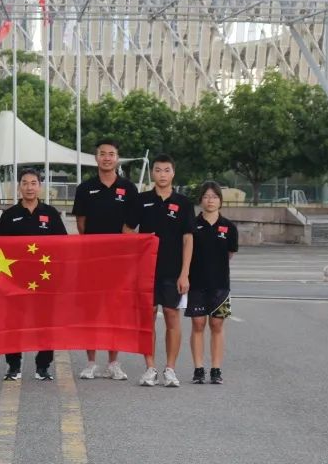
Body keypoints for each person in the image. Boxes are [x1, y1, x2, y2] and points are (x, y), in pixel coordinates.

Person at [71, 138, 141, 381]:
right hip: (91, 259)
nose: (107, 158)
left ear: (117, 158)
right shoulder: (85, 188)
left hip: (119, 261)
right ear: (96, 157)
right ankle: (91, 362)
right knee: (91, 311)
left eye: (111, 154)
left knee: (115, 311)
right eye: (103, 153)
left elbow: (131, 225)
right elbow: (81, 224)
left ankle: (113, 362)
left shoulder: (129, 188)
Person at [0, 168, 68, 382]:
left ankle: (43, 366)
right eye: (25, 183)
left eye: (33, 183)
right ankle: (13, 366)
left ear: (40, 186)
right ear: (19, 187)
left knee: (45, 323)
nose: (29, 187)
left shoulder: (51, 214)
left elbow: (63, 245)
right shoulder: (9, 215)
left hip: (45, 279)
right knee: (13, 323)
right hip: (15, 280)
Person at [134, 154, 193, 388]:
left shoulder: (183, 203)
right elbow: (127, 229)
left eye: (167, 170)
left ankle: (170, 369)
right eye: (158, 170)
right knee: (147, 318)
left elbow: (188, 239)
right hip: (146, 271)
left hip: (173, 271)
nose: (162, 174)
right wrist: (137, 245)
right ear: (152, 173)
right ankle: (150, 368)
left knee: (171, 316)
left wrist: (185, 273)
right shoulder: (142, 200)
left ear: (173, 173)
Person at [187, 181, 238, 385]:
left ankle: (216, 369)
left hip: (220, 284)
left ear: (220, 201)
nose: (210, 200)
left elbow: (230, 253)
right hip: (196, 283)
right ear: (200, 200)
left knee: (217, 324)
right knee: (198, 324)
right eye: (206, 197)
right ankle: (198, 368)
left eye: (215, 197)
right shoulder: (192, 225)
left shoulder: (229, 227)